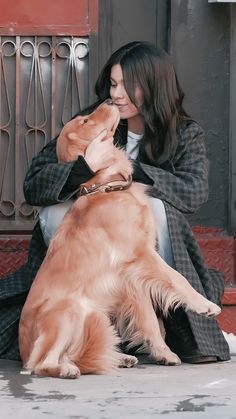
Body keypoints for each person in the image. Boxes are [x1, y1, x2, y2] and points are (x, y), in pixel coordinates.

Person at [0, 41, 230, 363]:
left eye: (127, 84)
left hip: (147, 255)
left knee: (155, 209)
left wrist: (127, 171)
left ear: (153, 85)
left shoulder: (183, 133)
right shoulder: (95, 121)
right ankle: (91, 320)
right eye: (113, 83)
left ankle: (173, 323)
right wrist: (85, 168)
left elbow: (193, 192)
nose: (116, 94)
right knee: (54, 214)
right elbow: (35, 182)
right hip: (93, 265)